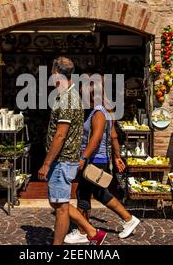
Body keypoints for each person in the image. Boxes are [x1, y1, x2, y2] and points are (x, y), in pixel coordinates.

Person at [38, 57, 107, 245]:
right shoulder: (66, 96)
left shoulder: (68, 98)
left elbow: (60, 135)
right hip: (63, 160)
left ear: (55, 73)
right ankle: (92, 231)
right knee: (58, 203)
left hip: (62, 160)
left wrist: (46, 163)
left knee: (60, 208)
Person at [64, 74, 140, 244]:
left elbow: (96, 138)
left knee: (82, 193)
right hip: (101, 159)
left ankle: (83, 231)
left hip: (94, 160)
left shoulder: (98, 112)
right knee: (99, 193)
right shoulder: (106, 109)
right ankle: (129, 219)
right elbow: (113, 136)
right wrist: (117, 157)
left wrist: (83, 157)